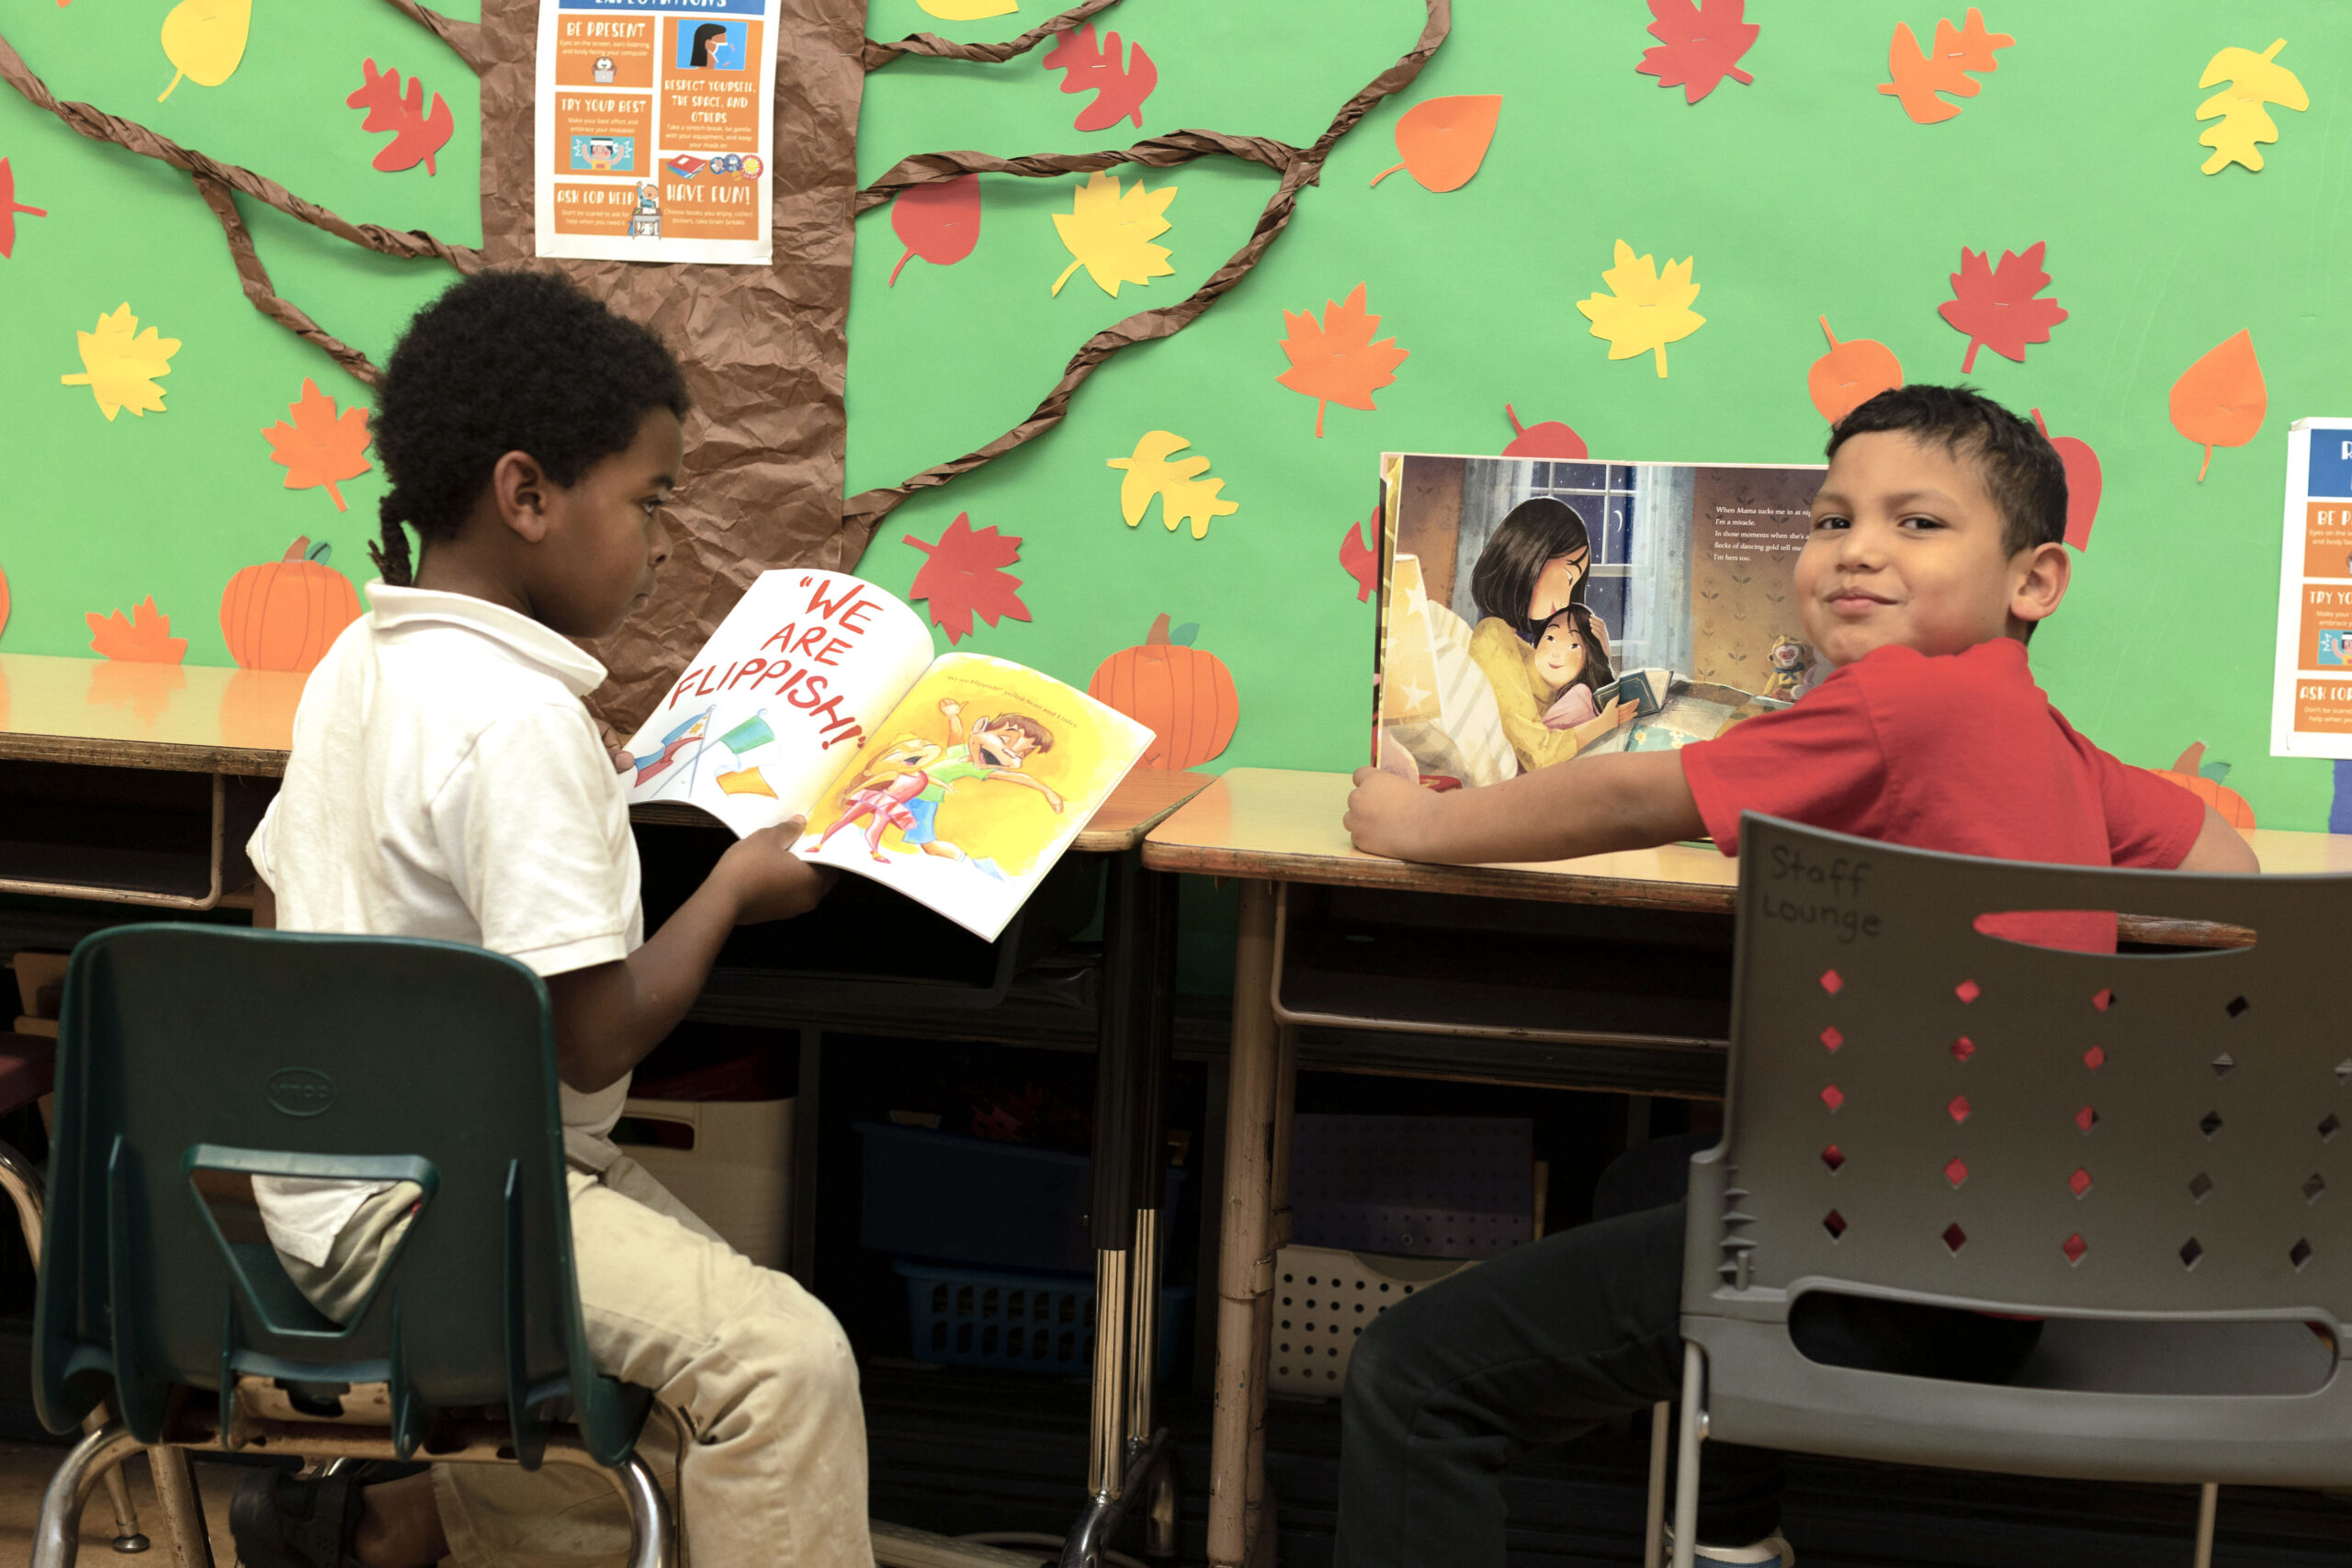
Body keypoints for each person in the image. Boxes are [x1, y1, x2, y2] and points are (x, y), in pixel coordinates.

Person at [1335, 385, 2260, 1568]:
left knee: (1414, 1376)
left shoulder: (1902, 702)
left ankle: (1694, 1513)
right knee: (1648, 1177)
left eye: (1917, 524)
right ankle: (1727, 1541)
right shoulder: (2050, 739)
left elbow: (1629, 792)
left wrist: (1415, 825)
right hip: (2021, 1259)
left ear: (2033, 581)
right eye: (1831, 521)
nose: (1856, 549)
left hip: (1875, 1260)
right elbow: (2225, 878)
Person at [230, 271, 871, 1568]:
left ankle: (398, 1520)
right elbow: (591, 1044)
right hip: (450, 1203)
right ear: (527, 495)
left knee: (698, 1370)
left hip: (322, 1185)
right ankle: (418, 1516)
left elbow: (270, 899)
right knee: (785, 1360)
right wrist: (733, 890)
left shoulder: (362, 659)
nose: (659, 544)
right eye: (649, 502)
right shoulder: (522, 720)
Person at [1465, 498, 1623, 770]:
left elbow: (1564, 693)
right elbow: (1538, 754)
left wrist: (1600, 655)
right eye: (1569, 576)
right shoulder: (1492, 638)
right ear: (1533, 555)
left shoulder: (1514, 644)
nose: (1565, 601)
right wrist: (1603, 725)